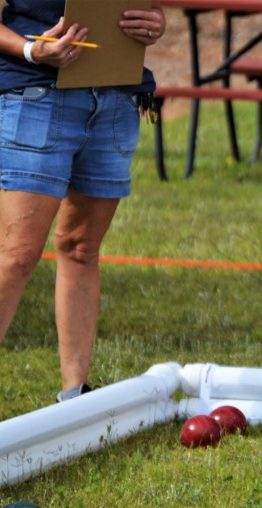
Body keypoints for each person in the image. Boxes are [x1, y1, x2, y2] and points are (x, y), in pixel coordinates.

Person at [0, 1, 166, 402]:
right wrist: (30, 49)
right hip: (36, 94)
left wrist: (155, 23)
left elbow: (146, 8)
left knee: (81, 247)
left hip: (115, 100)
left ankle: (75, 396)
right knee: (18, 254)